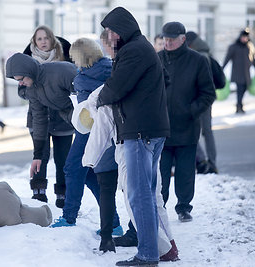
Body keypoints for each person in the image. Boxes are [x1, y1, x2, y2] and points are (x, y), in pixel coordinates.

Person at [96, 7, 170, 266]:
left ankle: (148, 254)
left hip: (140, 132)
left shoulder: (133, 50)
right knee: (147, 195)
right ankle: (158, 250)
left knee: (139, 195)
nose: (110, 36)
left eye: (112, 30)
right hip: (148, 129)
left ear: (123, 28)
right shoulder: (138, 47)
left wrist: (99, 98)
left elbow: (116, 87)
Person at [49, 37, 123, 253]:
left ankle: (69, 217)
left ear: (82, 57)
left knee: (72, 168)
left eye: (74, 56)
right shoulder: (108, 69)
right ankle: (114, 223)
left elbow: (84, 105)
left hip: (89, 129)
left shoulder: (84, 78)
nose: (73, 60)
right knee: (90, 174)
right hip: (106, 129)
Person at [158, 22, 216, 224]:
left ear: (183, 39)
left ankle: (184, 207)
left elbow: (208, 93)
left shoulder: (197, 60)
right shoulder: (157, 59)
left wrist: (191, 110)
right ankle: (159, 206)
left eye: (172, 39)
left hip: (187, 127)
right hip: (161, 128)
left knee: (184, 172)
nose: (168, 42)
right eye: (165, 39)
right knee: (161, 172)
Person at [5, 52, 77, 206]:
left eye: (21, 79)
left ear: (28, 71)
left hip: (84, 119)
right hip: (73, 119)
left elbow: (84, 93)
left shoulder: (61, 72)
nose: (21, 84)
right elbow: (39, 119)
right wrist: (37, 154)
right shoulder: (32, 89)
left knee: (73, 164)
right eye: (17, 81)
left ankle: (68, 198)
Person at [19, 25, 74, 208]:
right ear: (34, 42)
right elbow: (21, 89)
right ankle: (38, 191)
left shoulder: (65, 59)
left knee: (63, 158)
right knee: (40, 155)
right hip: (37, 115)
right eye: (39, 39)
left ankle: (62, 194)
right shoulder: (27, 62)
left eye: (46, 38)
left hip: (63, 117)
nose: (43, 42)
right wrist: (33, 93)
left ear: (52, 40)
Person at [185, 31, 219, 174]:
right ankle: (208, 161)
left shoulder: (200, 57)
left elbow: (202, 82)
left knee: (200, 130)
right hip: (205, 100)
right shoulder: (206, 53)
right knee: (206, 131)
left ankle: (208, 162)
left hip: (201, 100)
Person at [223, 28, 255, 114]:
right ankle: (239, 106)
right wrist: (222, 68)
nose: (245, 39)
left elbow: (253, 59)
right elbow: (227, 58)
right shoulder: (234, 47)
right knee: (240, 90)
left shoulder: (249, 46)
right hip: (238, 73)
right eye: (243, 37)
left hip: (246, 73)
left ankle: (239, 105)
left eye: (246, 37)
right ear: (240, 37)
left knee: (244, 89)